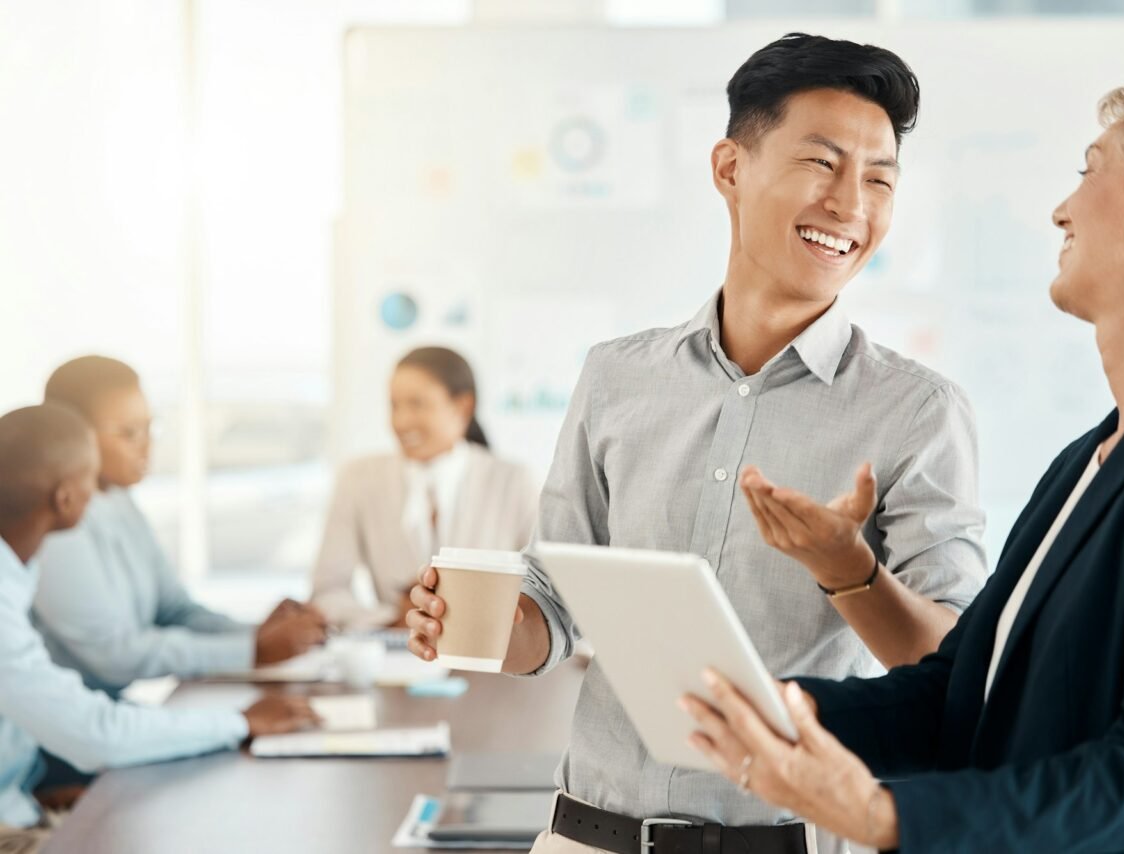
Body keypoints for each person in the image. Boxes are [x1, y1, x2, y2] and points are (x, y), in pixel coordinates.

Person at [408, 33, 988, 854]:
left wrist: (849, 571)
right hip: (587, 833)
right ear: (729, 168)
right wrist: (470, 622)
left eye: (879, 179)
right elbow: (555, 605)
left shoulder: (918, 412)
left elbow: (951, 671)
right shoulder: (617, 377)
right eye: (821, 163)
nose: (850, 204)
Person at [681, 63, 1124, 853]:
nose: (1062, 209)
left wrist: (881, 815)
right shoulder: (1088, 460)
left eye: (1090, 170)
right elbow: (956, 701)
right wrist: (764, 707)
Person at [0, 404, 318, 854]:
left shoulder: (17, 569)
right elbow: (95, 733)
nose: (100, 490)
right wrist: (239, 721)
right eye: (91, 477)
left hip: (24, 804)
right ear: (65, 499)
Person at [33, 356, 326, 698]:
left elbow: (174, 609)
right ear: (74, 437)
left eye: (149, 428)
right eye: (129, 433)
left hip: (104, 710)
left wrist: (264, 634)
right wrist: (251, 650)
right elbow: (114, 654)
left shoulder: (118, 499)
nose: (147, 445)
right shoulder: (55, 525)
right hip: (65, 720)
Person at [312, 346, 539, 629]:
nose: (401, 421)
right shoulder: (359, 479)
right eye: (394, 406)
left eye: (417, 404)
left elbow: (543, 593)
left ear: (462, 407)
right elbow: (327, 591)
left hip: (483, 651)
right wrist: (393, 620)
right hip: (396, 651)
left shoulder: (513, 482)